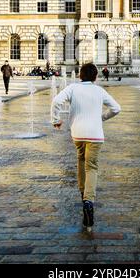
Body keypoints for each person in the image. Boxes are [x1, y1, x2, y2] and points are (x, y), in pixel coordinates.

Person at [51, 63, 121, 230]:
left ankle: (84, 195)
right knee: (92, 167)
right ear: (96, 77)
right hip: (95, 134)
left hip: (78, 133)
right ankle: (89, 200)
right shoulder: (99, 90)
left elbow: (56, 101)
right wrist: (102, 118)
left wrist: (55, 120)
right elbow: (117, 108)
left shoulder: (73, 87)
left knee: (81, 162)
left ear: (80, 75)